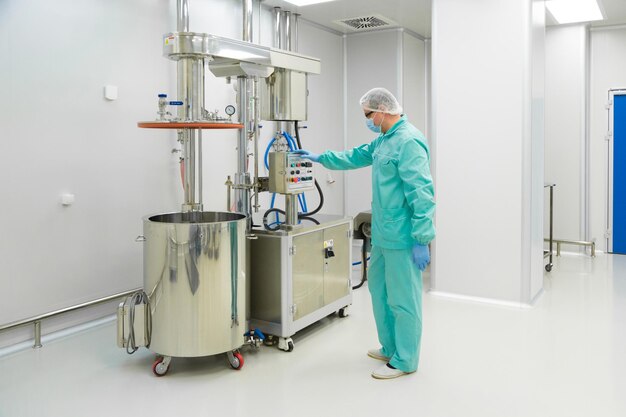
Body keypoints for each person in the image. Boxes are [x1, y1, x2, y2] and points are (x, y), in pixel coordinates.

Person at [294, 87, 435, 380]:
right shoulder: (384, 139)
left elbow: (422, 194)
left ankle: (406, 359)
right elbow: (356, 156)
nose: (368, 121)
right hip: (383, 234)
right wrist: (321, 158)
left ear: (383, 111)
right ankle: (391, 347)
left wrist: (422, 239)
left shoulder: (409, 142)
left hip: (402, 237)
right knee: (379, 292)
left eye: (369, 115)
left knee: (403, 298)